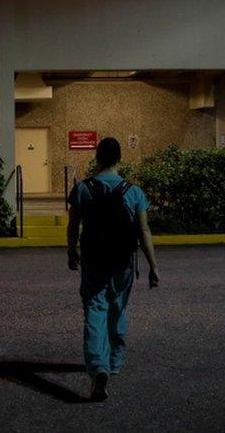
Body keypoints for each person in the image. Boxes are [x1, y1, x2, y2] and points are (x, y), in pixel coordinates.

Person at [66, 136, 160, 402]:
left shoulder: (83, 189)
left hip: (94, 260)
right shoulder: (133, 192)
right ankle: (115, 361)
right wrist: (153, 266)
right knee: (117, 307)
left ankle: (98, 367)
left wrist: (72, 250)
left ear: (97, 158)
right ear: (120, 159)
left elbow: (74, 225)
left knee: (95, 309)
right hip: (122, 263)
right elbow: (143, 231)